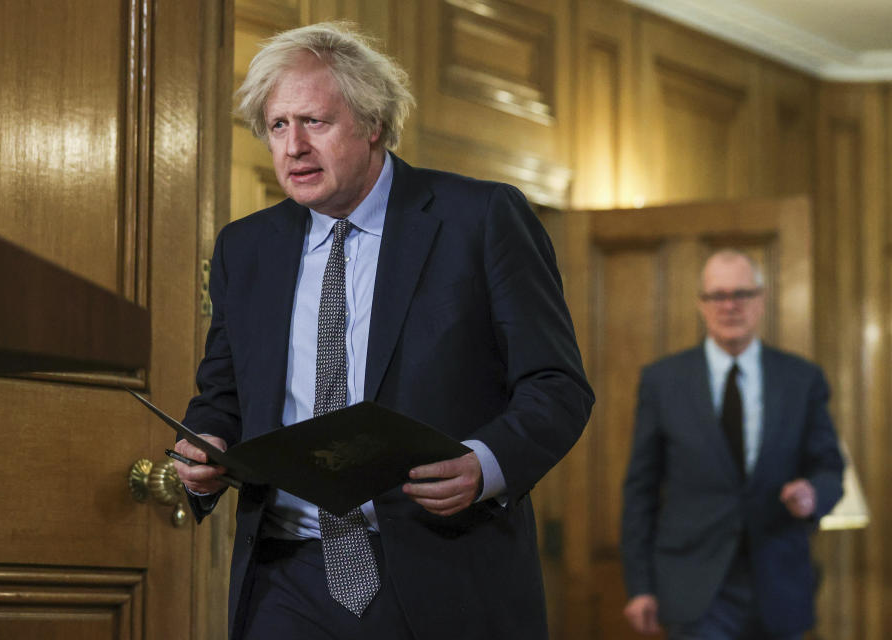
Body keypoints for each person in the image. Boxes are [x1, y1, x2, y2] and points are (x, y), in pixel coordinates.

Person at [171, 21, 594, 640]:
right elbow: (223, 396)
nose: (293, 147)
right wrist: (205, 443)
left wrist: (485, 464)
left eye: (315, 122)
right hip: (286, 574)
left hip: (438, 569)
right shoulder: (246, 247)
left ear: (372, 124)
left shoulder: (479, 220)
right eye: (277, 126)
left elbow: (556, 385)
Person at [620, 249, 844, 639]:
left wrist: (813, 495)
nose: (730, 306)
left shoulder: (801, 378)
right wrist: (640, 585)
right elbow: (641, 488)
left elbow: (830, 467)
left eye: (741, 294)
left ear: (761, 300)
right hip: (695, 586)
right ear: (701, 304)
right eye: (717, 296)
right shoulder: (663, 381)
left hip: (779, 580)